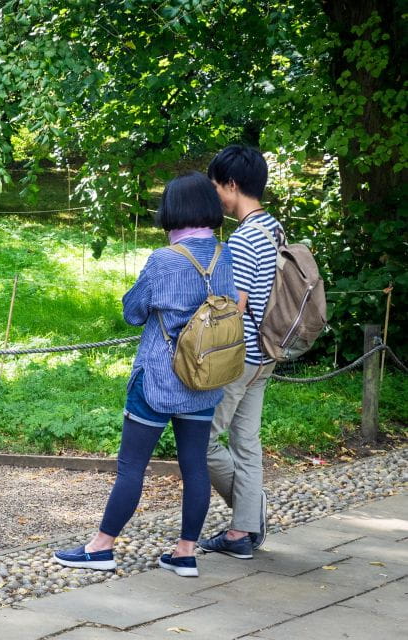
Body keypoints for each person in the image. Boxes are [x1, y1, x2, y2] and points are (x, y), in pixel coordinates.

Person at [53, 172, 237, 578]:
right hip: (205, 380)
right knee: (195, 467)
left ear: (172, 210)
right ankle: (185, 552)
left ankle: (101, 548)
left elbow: (133, 312)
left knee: (132, 466)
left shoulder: (164, 259)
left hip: (157, 378)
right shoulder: (226, 257)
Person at [198, 145, 283, 559]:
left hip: (241, 357)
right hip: (266, 353)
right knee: (246, 444)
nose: (215, 195)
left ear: (231, 184)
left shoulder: (246, 238)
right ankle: (241, 534)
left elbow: (238, 305)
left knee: (204, 441)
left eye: (216, 186)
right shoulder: (273, 228)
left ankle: (251, 516)